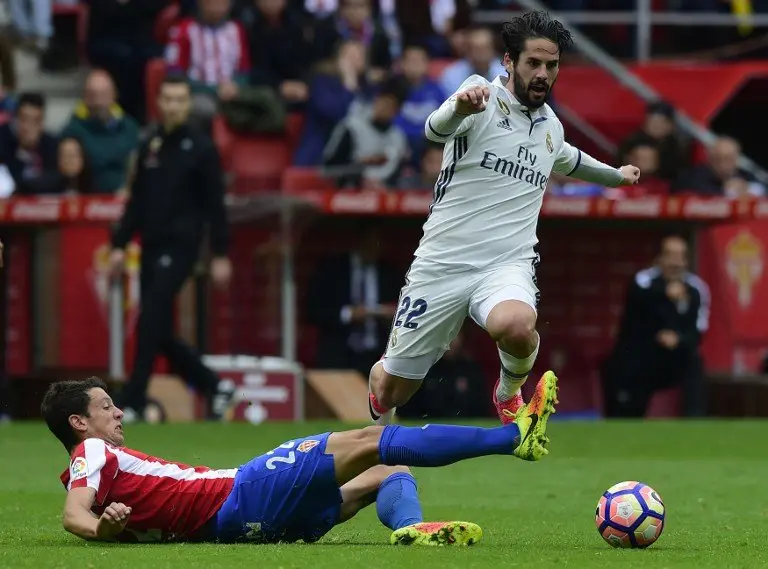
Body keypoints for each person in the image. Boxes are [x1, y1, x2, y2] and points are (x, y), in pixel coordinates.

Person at [367, 11, 641, 425]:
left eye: (552, 66)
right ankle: (384, 376)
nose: (543, 74)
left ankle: (508, 392)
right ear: (510, 62)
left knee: (516, 324)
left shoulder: (550, 126)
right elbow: (434, 130)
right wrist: (459, 107)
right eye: (534, 63)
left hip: (505, 264)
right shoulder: (479, 95)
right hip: (443, 263)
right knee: (392, 391)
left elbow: (569, 160)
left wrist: (614, 176)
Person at [42, 375, 557, 544]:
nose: (117, 413)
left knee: (387, 473)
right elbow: (74, 515)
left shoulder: (95, 467)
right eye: (105, 407)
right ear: (78, 424)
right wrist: (98, 530)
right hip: (240, 493)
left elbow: (85, 507)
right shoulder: (92, 450)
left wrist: (106, 526)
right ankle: (514, 437)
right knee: (373, 440)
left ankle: (410, 530)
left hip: (240, 525)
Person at [109, 75, 233, 423]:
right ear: (158, 103)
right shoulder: (151, 142)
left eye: (180, 99)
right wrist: (119, 243)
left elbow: (215, 204)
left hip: (181, 247)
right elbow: (137, 200)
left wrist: (221, 252)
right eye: (167, 99)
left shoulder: (201, 147)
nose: (173, 106)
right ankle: (214, 385)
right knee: (156, 328)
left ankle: (133, 400)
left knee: (151, 317)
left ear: (188, 104)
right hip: (150, 245)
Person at [602, 235, 710, 418]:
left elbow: (698, 331)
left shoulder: (696, 289)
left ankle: (695, 420)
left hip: (675, 356)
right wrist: (665, 293)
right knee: (626, 363)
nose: (676, 263)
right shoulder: (644, 281)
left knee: (694, 362)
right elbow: (637, 303)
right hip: (642, 355)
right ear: (659, 258)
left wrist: (678, 339)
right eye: (671, 256)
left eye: (681, 256)